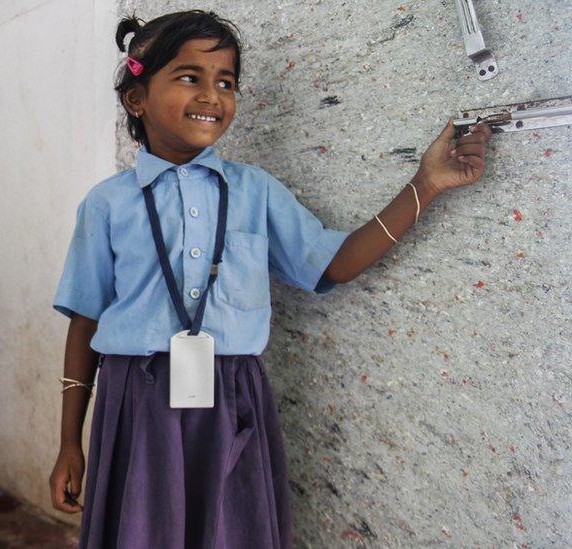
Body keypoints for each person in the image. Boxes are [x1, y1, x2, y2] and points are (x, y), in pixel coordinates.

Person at [49, 10, 492, 548]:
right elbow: (85, 319)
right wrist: (69, 441)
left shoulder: (255, 191)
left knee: (233, 532)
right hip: (135, 401)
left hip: (233, 396)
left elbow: (337, 262)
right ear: (136, 99)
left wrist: (427, 184)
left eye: (226, 82)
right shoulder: (107, 204)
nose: (212, 96)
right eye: (189, 77)